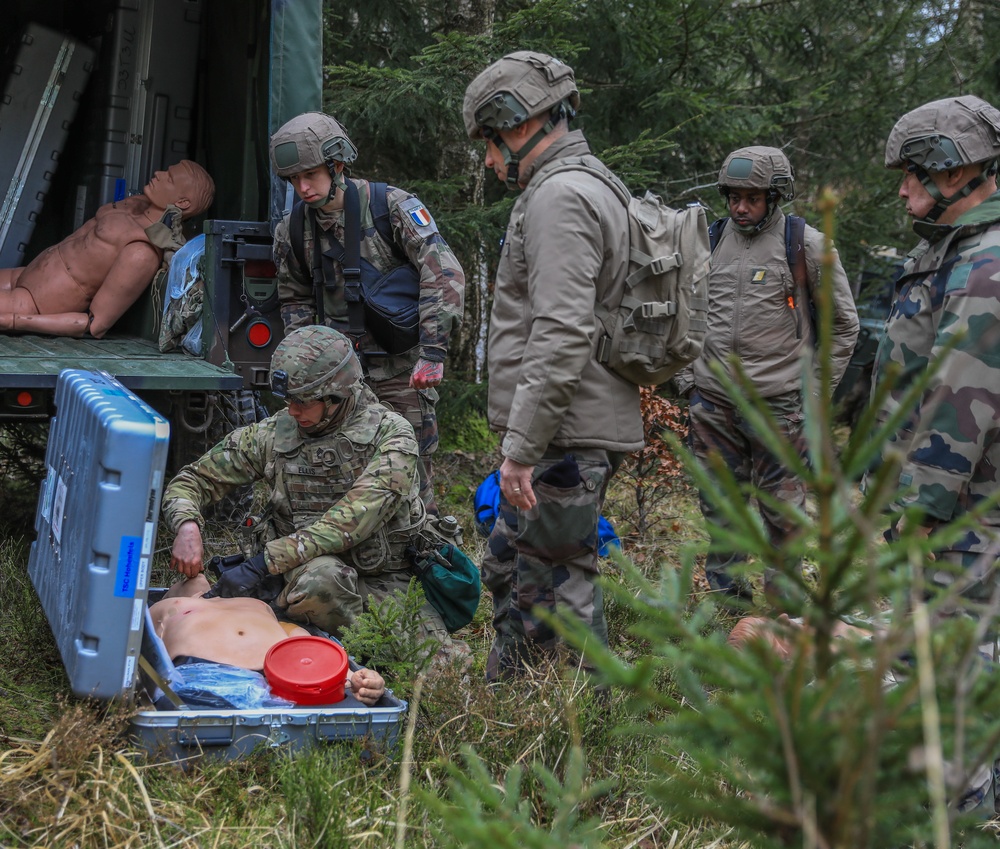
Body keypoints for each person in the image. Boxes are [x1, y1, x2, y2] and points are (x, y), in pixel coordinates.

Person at [462, 51, 643, 682]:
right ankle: (525, 716)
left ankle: (585, 736)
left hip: (564, 433)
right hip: (568, 426)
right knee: (524, 571)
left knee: (560, 590)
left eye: (489, 142)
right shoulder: (585, 185)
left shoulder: (560, 197)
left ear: (518, 125)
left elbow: (561, 330)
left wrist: (521, 449)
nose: (488, 161)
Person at [160, 324, 463, 661]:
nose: (292, 410)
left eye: (302, 401)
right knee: (319, 581)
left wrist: (263, 563)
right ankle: (344, 655)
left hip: (385, 580)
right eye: (287, 400)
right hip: (305, 582)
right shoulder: (277, 434)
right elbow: (193, 479)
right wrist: (187, 524)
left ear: (336, 396)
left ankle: (366, 659)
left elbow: (351, 521)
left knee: (443, 673)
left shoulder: (393, 436)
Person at [675, 146, 859, 602]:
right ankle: (726, 606)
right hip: (714, 402)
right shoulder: (711, 239)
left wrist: (813, 396)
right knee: (721, 511)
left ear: (775, 196)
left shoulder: (806, 244)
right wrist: (688, 382)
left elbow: (843, 326)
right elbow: (685, 313)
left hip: (780, 406)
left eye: (752, 198)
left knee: (784, 518)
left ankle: (783, 615)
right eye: (734, 196)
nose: (740, 207)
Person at [270, 112, 466, 515]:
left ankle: (421, 565)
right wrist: (306, 374)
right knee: (336, 478)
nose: (302, 187)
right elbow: (294, 300)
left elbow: (443, 273)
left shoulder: (389, 206)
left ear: (337, 165)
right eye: (293, 180)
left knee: (410, 478)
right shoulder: (291, 230)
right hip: (336, 383)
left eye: (310, 175)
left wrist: (433, 351)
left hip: (400, 369)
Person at [866, 94, 1000, 604]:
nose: (901, 190)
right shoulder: (950, 248)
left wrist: (922, 511)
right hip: (946, 512)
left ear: (952, 174)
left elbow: (958, 402)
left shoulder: (984, 265)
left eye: (911, 174)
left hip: (964, 520)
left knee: (949, 666)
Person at [0, 160, 214, 338]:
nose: (158, 173)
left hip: (34, 302)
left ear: (183, 202)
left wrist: (15, 321)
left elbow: (94, 324)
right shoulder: (136, 204)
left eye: (169, 178)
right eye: (166, 171)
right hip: (24, 274)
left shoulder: (142, 252)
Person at [149, 574, 386, 706]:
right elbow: (139, 651)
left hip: (282, 676)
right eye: (185, 580)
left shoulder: (259, 606)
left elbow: (305, 647)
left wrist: (353, 678)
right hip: (199, 671)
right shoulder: (164, 608)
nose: (200, 579)